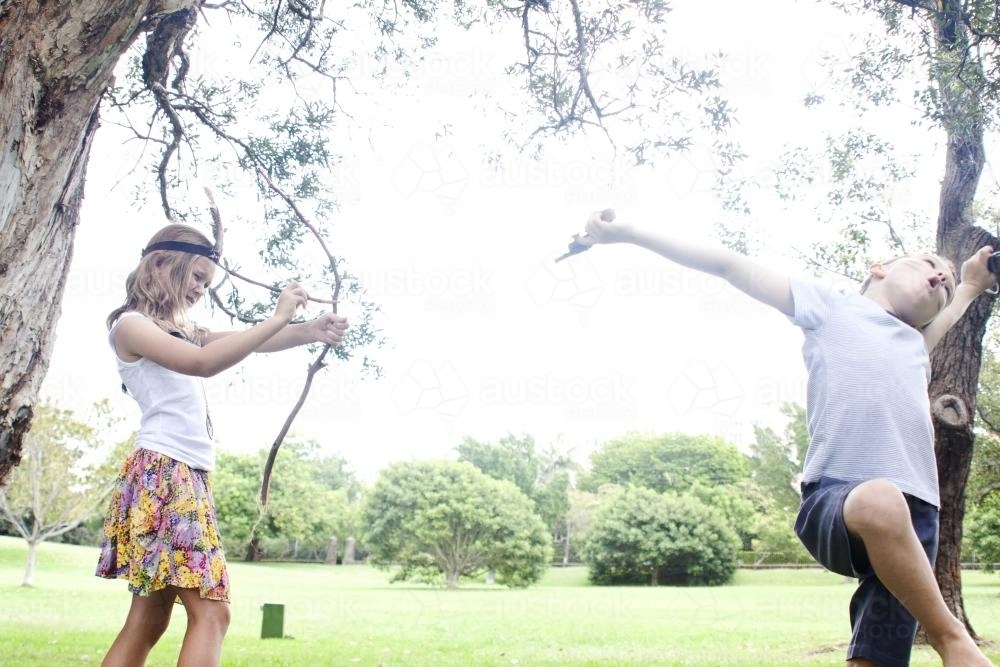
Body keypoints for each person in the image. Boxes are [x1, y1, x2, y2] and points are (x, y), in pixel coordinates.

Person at [579, 210, 995, 667]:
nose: (941, 277)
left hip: (917, 519)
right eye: (927, 264)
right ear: (879, 268)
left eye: (947, 284)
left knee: (878, 656)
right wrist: (626, 231)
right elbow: (728, 264)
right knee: (880, 499)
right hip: (836, 499)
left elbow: (954, 308)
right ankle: (952, 638)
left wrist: (972, 285)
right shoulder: (831, 307)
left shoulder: (915, 344)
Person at [96, 223, 349, 667]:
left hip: (178, 474)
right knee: (213, 614)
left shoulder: (180, 328)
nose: (199, 289)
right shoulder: (131, 326)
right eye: (196, 277)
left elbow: (239, 341)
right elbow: (203, 363)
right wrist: (277, 316)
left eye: (205, 282)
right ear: (159, 264)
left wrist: (309, 330)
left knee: (149, 618)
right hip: (166, 474)